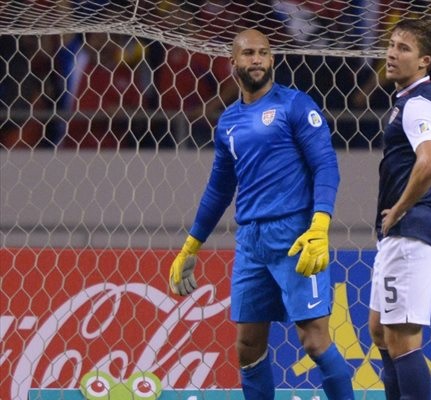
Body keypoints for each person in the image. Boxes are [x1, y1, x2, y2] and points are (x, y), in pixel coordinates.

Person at [167, 29, 355, 399]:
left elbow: (326, 167)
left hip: (296, 235)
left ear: (273, 60)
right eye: (249, 53)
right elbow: (220, 189)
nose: (257, 60)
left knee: (314, 340)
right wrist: (192, 245)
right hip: (251, 241)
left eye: (264, 53)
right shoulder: (228, 123)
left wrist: (320, 225)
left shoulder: (296, 106)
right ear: (233, 62)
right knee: (247, 346)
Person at [368, 20, 431, 399]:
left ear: (424, 61)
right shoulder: (422, 99)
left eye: (403, 49)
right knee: (379, 330)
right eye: (391, 45)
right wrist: (427, 183)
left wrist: (404, 206)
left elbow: (429, 162)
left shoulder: (417, 104)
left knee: (402, 338)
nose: (392, 53)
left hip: (410, 230)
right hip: (403, 232)